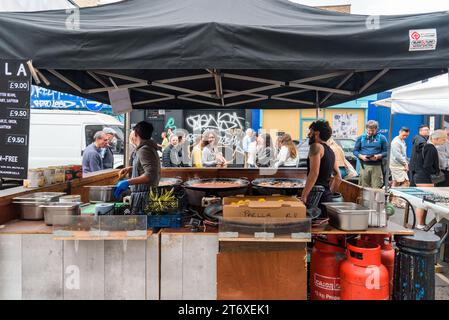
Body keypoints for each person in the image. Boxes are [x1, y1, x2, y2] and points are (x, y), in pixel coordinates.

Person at [115, 121, 161, 213]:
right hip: (143, 195)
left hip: (144, 198)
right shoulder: (147, 147)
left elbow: (150, 175)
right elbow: (148, 167)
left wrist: (127, 182)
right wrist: (132, 168)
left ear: (135, 133)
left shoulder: (144, 150)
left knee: (142, 225)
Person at [301, 120, 342, 217]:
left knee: (312, 229)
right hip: (327, 198)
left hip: (315, 198)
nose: (308, 135)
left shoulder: (316, 147)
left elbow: (314, 173)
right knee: (321, 230)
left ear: (317, 133)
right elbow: (338, 177)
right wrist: (328, 193)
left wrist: (304, 195)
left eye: (310, 132)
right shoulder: (331, 151)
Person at [413, 130, 447, 230]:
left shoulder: (424, 146)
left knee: (423, 201)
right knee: (423, 201)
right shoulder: (431, 148)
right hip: (424, 178)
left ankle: (421, 223)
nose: (444, 141)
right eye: (443, 139)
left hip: (420, 176)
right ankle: (420, 223)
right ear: (436, 139)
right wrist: (436, 171)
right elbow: (427, 165)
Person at [353, 120, 388, 188]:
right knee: (363, 188)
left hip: (377, 167)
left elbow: (387, 151)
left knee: (376, 188)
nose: (370, 132)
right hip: (364, 167)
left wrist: (379, 156)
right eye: (369, 130)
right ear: (366, 129)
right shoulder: (361, 138)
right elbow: (355, 151)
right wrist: (361, 156)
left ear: (376, 129)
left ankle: (375, 199)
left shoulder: (382, 138)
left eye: (373, 130)